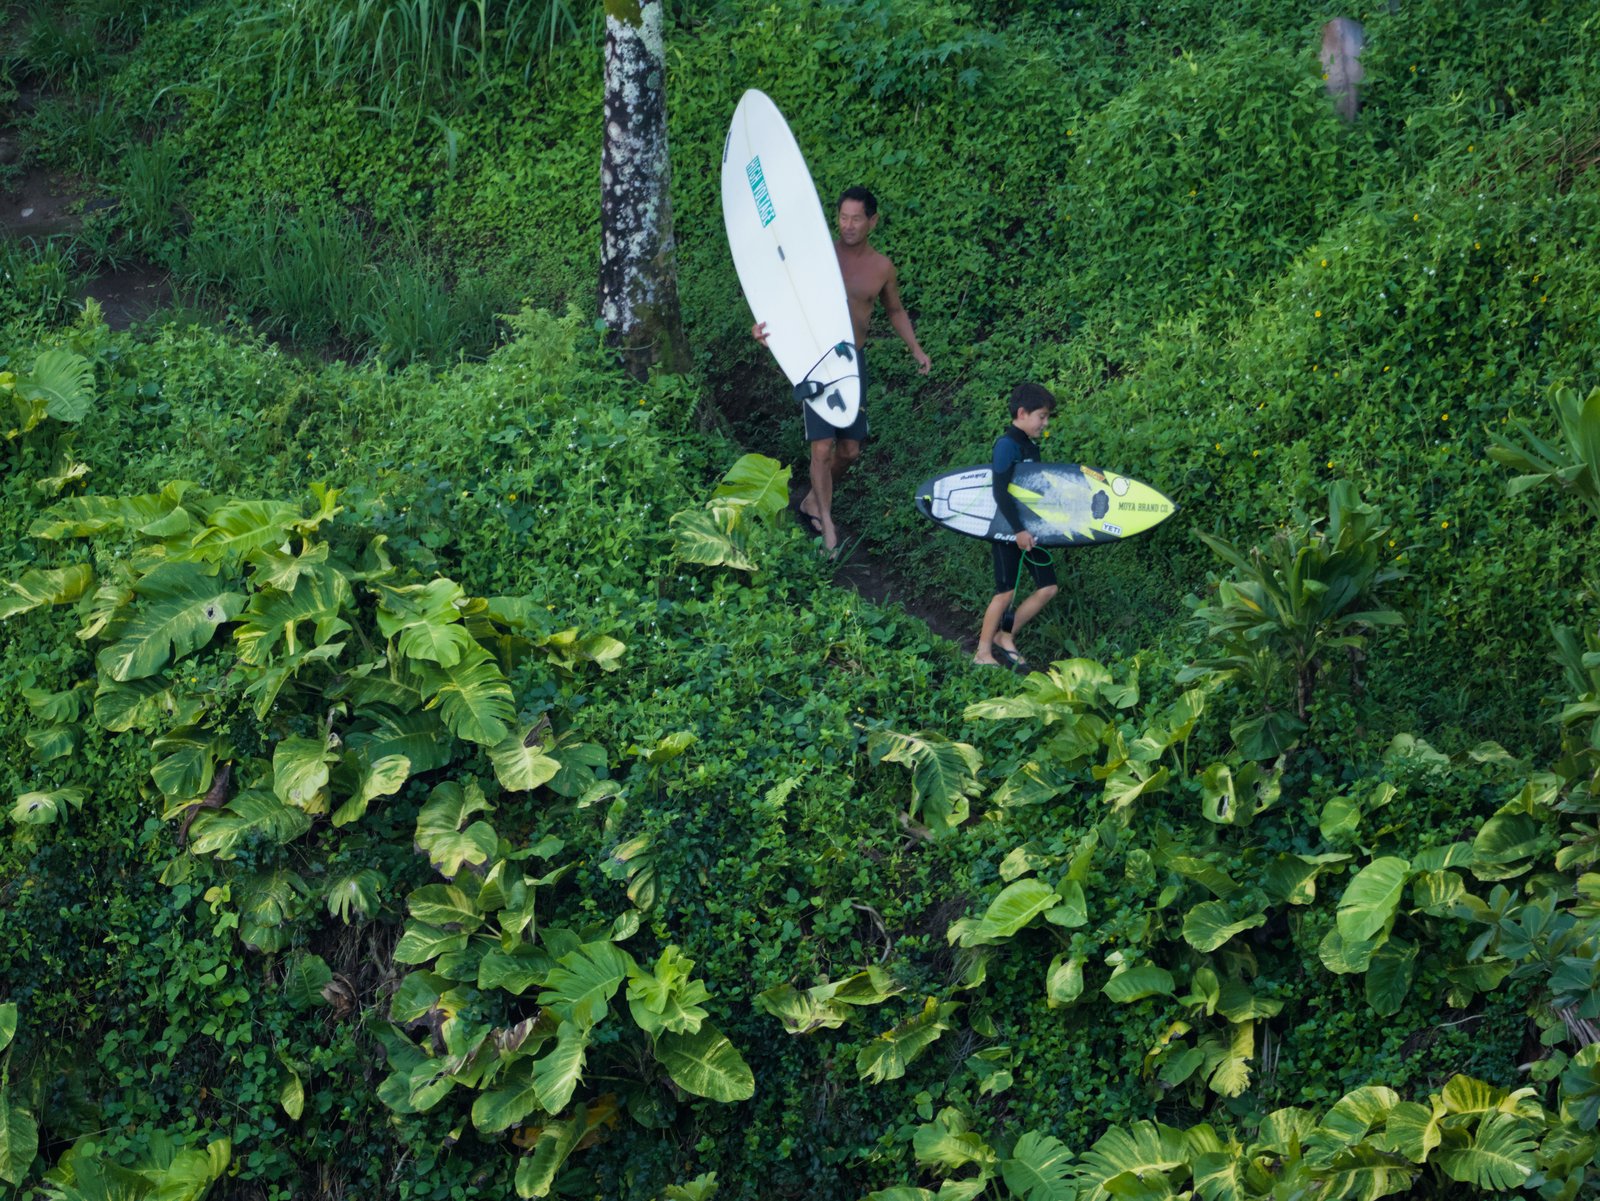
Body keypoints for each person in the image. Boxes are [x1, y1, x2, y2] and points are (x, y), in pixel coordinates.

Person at [754, 186, 930, 550]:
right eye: (843, 217)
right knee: (821, 448)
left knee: (849, 451)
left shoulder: (882, 267)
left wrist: (915, 348)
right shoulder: (819, 256)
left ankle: (813, 501)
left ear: (872, 221)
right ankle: (828, 524)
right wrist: (765, 328)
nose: (848, 225)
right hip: (815, 359)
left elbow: (894, 310)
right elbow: (786, 296)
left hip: (852, 362)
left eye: (856, 218)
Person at [974, 383, 1059, 671]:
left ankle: (1005, 635)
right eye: (1042, 416)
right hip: (1007, 529)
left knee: (1047, 587)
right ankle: (982, 652)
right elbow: (1000, 492)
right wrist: (1018, 531)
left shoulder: (1030, 447)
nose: (1045, 423)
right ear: (1022, 413)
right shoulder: (1006, 445)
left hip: (1031, 531)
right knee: (1006, 592)